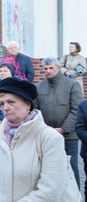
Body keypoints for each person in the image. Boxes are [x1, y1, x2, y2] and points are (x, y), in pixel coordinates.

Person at [35, 56, 83, 187]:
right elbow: (35, 111)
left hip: (68, 135)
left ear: (59, 68)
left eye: (51, 68)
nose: (48, 71)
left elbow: (76, 110)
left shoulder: (72, 85)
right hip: (46, 134)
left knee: (71, 167)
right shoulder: (39, 87)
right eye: (46, 68)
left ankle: (75, 194)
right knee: (49, 167)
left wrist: (63, 129)